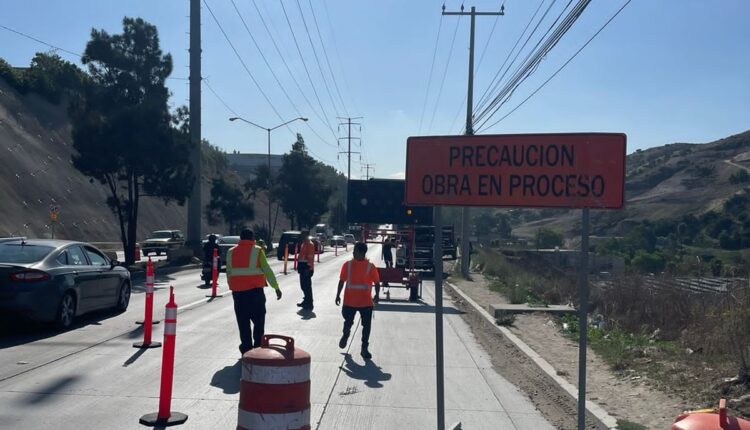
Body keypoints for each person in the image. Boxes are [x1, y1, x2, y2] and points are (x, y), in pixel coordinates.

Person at [226, 228, 282, 355]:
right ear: (252, 239)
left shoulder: (231, 252)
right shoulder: (257, 251)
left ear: (240, 238)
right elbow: (267, 270)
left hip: (238, 294)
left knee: (243, 322)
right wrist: (276, 287)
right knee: (258, 321)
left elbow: (229, 272)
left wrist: (233, 286)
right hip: (255, 293)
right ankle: (258, 349)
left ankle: (246, 349)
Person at [335, 242, 381, 359]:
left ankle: (362, 346)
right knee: (357, 324)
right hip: (356, 302)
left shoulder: (367, 266)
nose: (353, 252)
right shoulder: (352, 265)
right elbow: (342, 281)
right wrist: (337, 295)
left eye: (355, 250)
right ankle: (350, 337)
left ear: (361, 253)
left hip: (358, 302)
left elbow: (376, 282)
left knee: (360, 325)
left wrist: (377, 294)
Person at [296, 230, 315, 310]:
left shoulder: (310, 245)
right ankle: (306, 300)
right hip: (302, 268)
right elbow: (301, 256)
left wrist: (308, 269)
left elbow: (310, 258)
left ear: (306, 235)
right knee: (303, 286)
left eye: (303, 235)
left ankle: (309, 302)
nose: (301, 236)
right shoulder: (304, 244)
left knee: (307, 286)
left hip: (307, 268)